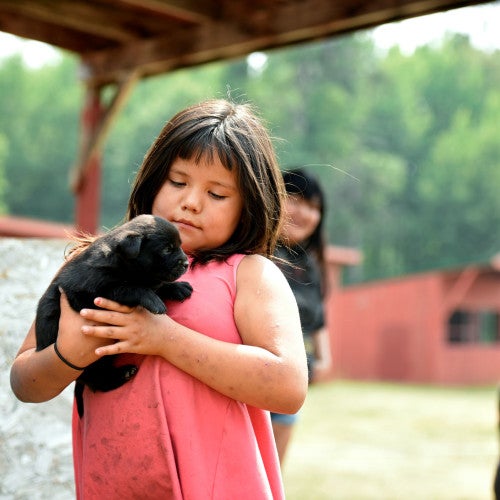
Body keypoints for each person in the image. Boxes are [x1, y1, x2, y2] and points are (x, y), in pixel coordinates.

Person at [10, 99, 308, 499]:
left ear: (248, 206)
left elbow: (288, 387)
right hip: (112, 484)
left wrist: (164, 338)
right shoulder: (95, 264)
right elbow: (24, 383)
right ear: (153, 181)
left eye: (217, 193)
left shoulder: (249, 275)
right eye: (178, 182)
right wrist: (68, 354)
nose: (191, 202)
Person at [271, 167, 332, 465]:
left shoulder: (308, 265)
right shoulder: (255, 251)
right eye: (295, 200)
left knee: (270, 479)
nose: (305, 213)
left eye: (314, 207)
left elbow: (319, 318)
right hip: (246, 377)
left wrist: (324, 360)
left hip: (288, 383)